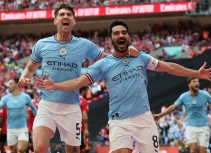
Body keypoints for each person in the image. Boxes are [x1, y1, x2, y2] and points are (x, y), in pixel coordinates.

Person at [34, 20, 211, 153]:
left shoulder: (141, 57)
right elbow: (77, 82)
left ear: (128, 36)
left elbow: (169, 67)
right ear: (110, 39)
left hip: (144, 119)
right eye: (116, 33)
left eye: (123, 32)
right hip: (119, 122)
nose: (120, 35)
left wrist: (195, 73)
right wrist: (55, 85)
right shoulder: (103, 65)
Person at [17, 3, 139, 153]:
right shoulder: (42, 45)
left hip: (71, 107)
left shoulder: (84, 45)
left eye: (69, 15)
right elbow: (30, 67)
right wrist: (24, 77)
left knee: (73, 150)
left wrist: (125, 54)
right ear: (55, 20)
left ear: (74, 21)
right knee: (39, 147)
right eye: (61, 15)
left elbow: (107, 60)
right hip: (47, 105)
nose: (65, 17)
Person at [154, 77, 211, 153]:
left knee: (203, 151)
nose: (197, 83)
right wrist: (160, 115)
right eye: (194, 81)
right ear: (189, 84)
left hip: (204, 127)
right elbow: (173, 107)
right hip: (191, 127)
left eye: (198, 82)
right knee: (193, 150)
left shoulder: (205, 95)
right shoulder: (184, 97)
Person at [0, 77, 37, 153]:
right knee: (13, 151)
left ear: (17, 85)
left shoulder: (25, 97)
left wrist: (39, 120)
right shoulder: (5, 98)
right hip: (10, 129)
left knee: (21, 148)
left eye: (10, 84)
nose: (8, 86)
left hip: (22, 129)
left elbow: (33, 108)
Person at [79, 86, 90, 153]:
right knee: (81, 148)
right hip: (80, 128)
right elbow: (84, 117)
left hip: (71, 127)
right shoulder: (83, 101)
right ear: (83, 91)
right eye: (87, 91)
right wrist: (86, 129)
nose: (87, 92)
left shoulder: (73, 100)